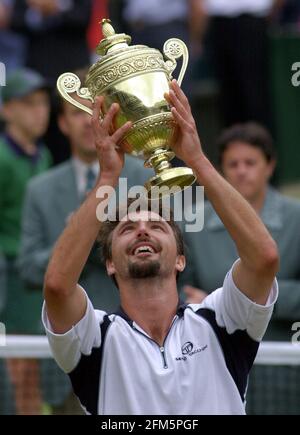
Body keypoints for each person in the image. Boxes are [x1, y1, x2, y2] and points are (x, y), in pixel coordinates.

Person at [41, 82, 279, 415]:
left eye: (157, 226)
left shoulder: (219, 320)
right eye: (126, 228)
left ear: (181, 259)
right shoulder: (95, 338)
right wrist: (108, 177)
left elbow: (264, 259)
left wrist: (198, 161)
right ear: (110, 263)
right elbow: (57, 287)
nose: (141, 230)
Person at [18, 77, 153, 414]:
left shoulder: (145, 176)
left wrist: (89, 233)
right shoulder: (40, 189)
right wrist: (73, 241)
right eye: (79, 112)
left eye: (99, 110)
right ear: (62, 123)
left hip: (135, 344)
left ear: (115, 116)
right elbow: (29, 268)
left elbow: (175, 254)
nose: (89, 120)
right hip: (66, 357)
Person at [181, 122, 300, 414]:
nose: (241, 170)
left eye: (250, 162)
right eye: (232, 164)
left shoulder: (296, 218)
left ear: (269, 167)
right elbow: (180, 293)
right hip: (214, 366)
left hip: (283, 368)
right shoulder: (191, 221)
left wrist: (228, 298)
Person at [0, 67, 52, 414]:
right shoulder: (2, 159)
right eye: (29, 103)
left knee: (35, 369)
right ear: (6, 110)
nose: (40, 112)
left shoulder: (44, 156)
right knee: (19, 370)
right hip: (10, 278)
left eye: (44, 103)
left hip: (37, 275)